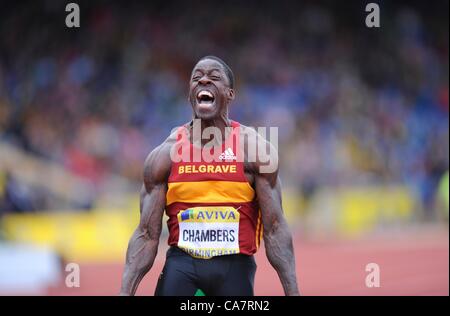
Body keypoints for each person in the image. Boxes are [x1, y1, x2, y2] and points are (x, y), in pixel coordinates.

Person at [119, 56, 300, 296]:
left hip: (235, 267)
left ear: (230, 94)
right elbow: (146, 234)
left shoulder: (255, 150)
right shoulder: (165, 155)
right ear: (190, 95)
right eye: (197, 78)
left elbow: (275, 229)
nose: (204, 80)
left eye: (214, 77)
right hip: (182, 266)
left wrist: (293, 292)